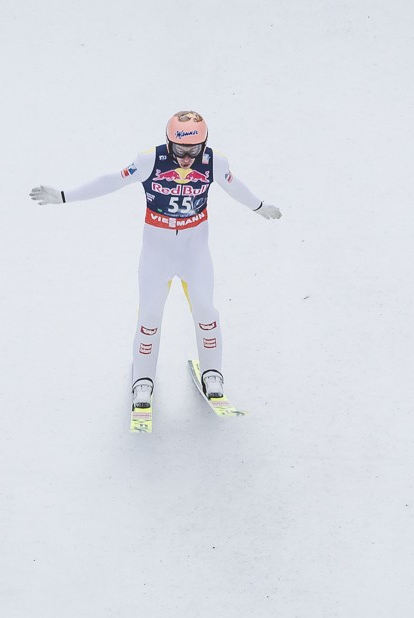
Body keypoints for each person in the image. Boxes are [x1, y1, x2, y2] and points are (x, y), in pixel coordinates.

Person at [30, 110, 281, 410]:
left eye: (194, 151)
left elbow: (234, 185)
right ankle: (143, 380)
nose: (186, 158)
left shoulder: (214, 162)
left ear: (204, 145)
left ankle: (213, 373)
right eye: (179, 150)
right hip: (157, 253)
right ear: (168, 142)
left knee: (205, 310)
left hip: (194, 251)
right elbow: (111, 181)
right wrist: (64, 195)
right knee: (149, 315)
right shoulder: (150, 160)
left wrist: (258, 206)